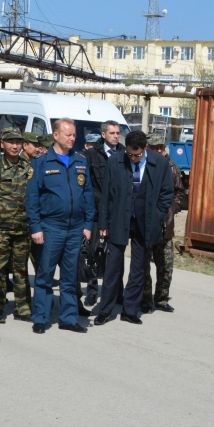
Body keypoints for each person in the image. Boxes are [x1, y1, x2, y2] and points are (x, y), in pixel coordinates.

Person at [93, 130, 173, 326]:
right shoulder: (115, 161)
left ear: (145, 148)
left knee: (139, 268)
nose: (133, 158)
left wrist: (157, 215)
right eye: (129, 154)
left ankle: (130, 310)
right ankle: (105, 310)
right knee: (112, 267)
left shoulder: (160, 163)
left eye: (137, 155)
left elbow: (166, 193)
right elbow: (106, 196)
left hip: (145, 222)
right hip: (119, 219)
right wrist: (103, 223)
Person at [25, 118, 94, 334]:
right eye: (68, 135)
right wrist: (35, 228)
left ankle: (68, 318)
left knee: (70, 276)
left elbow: (88, 195)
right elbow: (31, 198)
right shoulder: (42, 162)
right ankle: (41, 317)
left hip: (75, 229)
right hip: (50, 227)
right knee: (45, 275)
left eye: (74, 135)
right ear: (56, 136)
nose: (73, 138)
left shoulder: (80, 162)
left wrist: (88, 223)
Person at [0, 127, 33, 324]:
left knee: (21, 269)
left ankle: (22, 309)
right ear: (2, 144)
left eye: (18, 142)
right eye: (10, 142)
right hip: (1, 229)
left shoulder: (28, 166)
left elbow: (34, 197)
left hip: (22, 229)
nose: (15, 146)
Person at [142, 137, 184, 314]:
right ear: (147, 148)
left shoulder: (171, 167)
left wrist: (170, 209)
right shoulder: (142, 165)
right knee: (143, 265)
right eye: (154, 148)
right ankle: (144, 299)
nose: (158, 151)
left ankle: (161, 299)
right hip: (145, 223)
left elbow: (179, 193)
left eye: (161, 148)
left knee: (166, 266)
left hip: (165, 224)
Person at [83, 120, 121, 307]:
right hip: (97, 212)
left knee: (115, 253)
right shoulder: (91, 154)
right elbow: (87, 185)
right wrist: (102, 202)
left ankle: (116, 291)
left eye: (117, 133)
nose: (116, 136)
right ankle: (92, 291)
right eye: (112, 133)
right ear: (103, 135)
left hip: (118, 213)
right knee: (93, 253)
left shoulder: (123, 154)